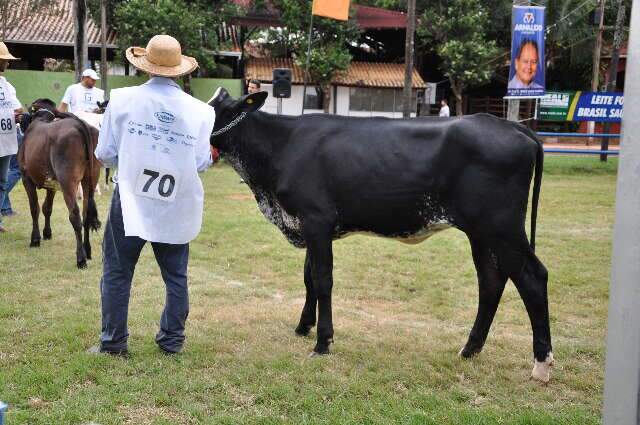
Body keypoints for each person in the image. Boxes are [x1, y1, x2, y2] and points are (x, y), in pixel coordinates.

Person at [90, 35, 216, 355]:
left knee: (118, 272)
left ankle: (113, 342)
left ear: (145, 67)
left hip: (130, 196)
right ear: (180, 70)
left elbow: (104, 153)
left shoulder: (121, 99)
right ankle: (172, 340)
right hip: (176, 200)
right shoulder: (201, 111)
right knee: (175, 275)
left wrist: (134, 157)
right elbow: (202, 162)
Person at [0, 42, 23, 233]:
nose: (7, 64)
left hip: (6, 138)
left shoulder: (7, 85)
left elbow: (18, 109)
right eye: (4, 61)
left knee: (1, 180)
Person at [1, 125, 23, 216]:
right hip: (8, 134)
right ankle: (5, 207)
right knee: (16, 169)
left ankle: (5, 208)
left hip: (8, 134)